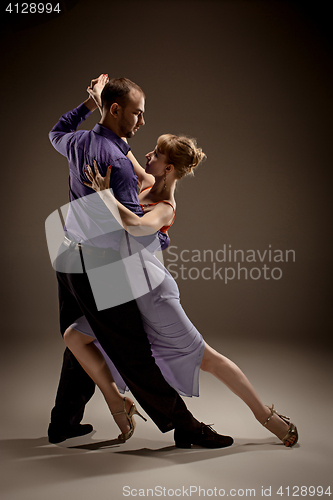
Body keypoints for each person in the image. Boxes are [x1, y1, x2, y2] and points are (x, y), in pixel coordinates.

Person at [64, 128, 298, 448]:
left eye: (156, 155)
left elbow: (136, 226)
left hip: (153, 296)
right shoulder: (146, 181)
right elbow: (120, 146)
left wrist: (105, 196)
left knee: (207, 358)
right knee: (74, 337)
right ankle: (117, 401)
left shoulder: (165, 205)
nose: (149, 156)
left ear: (169, 168)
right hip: (124, 288)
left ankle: (268, 419)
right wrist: (100, 106)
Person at [47, 74, 233, 450]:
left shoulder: (81, 141)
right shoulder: (115, 158)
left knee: (82, 337)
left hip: (67, 254)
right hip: (100, 264)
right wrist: (163, 232)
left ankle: (63, 422)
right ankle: (186, 427)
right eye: (137, 113)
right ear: (116, 110)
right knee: (133, 351)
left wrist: (90, 105)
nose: (142, 122)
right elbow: (132, 232)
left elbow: (56, 132)